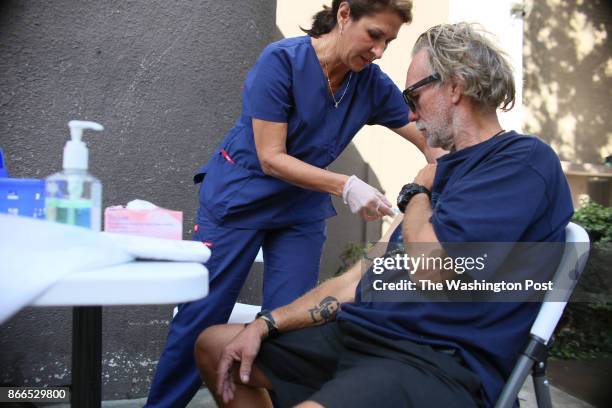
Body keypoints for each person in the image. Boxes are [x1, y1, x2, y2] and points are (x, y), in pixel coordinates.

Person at [194, 22, 574, 408]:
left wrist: (418, 191)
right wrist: (266, 323)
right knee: (216, 347)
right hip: (360, 337)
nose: (409, 111)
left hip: (431, 361)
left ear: (455, 87)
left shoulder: (520, 162)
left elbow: (431, 270)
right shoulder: (443, 173)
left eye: (414, 95)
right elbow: (361, 276)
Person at [146, 1, 436, 406]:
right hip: (240, 198)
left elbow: (430, 140)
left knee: (288, 323)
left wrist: (447, 178)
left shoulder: (369, 83)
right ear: (345, 14)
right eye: (374, 35)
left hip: (299, 209)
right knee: (202, 316)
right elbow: (271, 156)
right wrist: (347, 184)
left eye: (389, 40)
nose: (380, 51)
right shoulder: (281, 61)